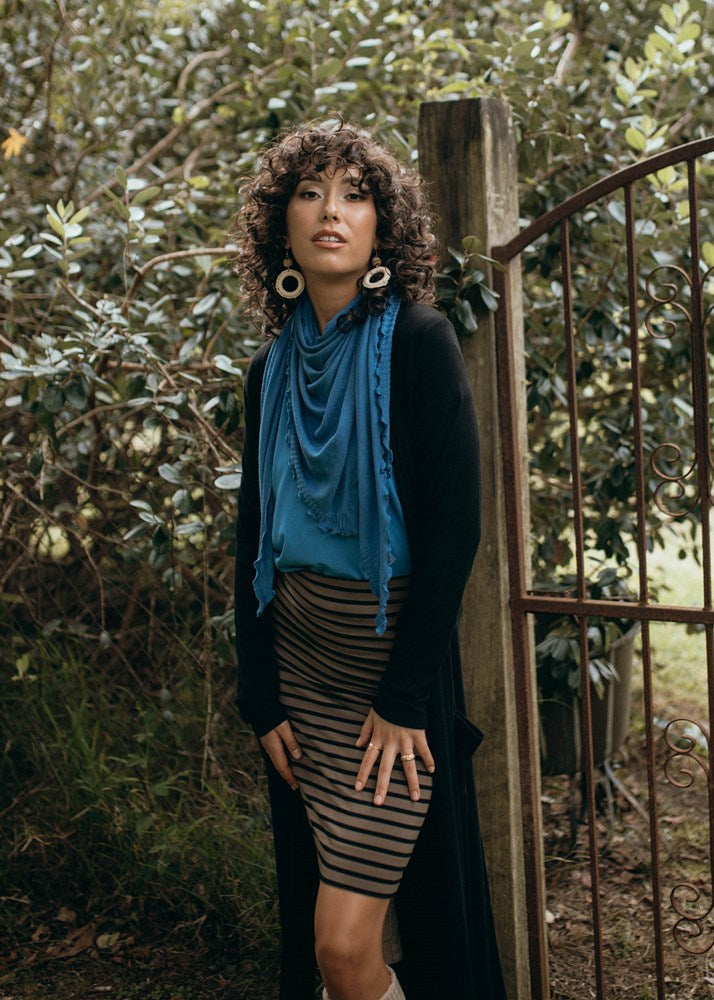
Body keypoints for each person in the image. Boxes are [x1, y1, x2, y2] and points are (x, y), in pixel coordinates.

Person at [231, 120, 506, 1000]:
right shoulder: (270, 368)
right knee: (320, 941)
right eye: (309, 193)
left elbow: (456, 530)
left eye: (355, 194)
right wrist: (259, 689)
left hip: (385, 683)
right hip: (299, 673)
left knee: (345, 948)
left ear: (383, 227)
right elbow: (253, 536)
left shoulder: (419, 344)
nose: (331, 213)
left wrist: (401, 698)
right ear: (283, 225)